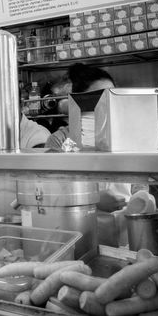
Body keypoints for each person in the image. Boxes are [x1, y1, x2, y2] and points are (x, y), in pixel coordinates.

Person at [45, 63, 136, 212]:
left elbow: (140, 182)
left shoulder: (127, 136)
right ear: (80, 101)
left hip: (125, 227)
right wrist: (93, 199)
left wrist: (143, 198)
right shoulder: (61, 141)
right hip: (81, 225)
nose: (108, 103)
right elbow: (52, 193)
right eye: (100, 97)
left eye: (112, 95)